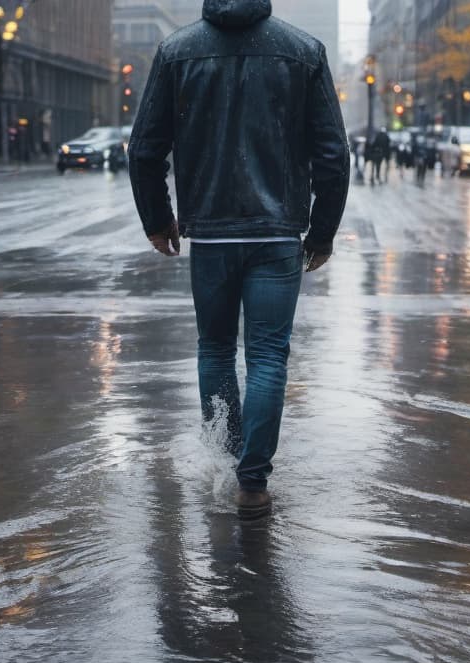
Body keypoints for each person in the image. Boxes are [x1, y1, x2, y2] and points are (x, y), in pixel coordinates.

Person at [129, 0, 349, 520]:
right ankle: (253, 483)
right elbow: (333, 153)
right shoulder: (303, 51)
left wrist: (158, 219)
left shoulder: (176, 51)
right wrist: (322, 232)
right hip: (276, 233)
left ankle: (228, 462)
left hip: (210, 235)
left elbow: (144, 149)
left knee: (216, 349)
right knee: (269, 356)